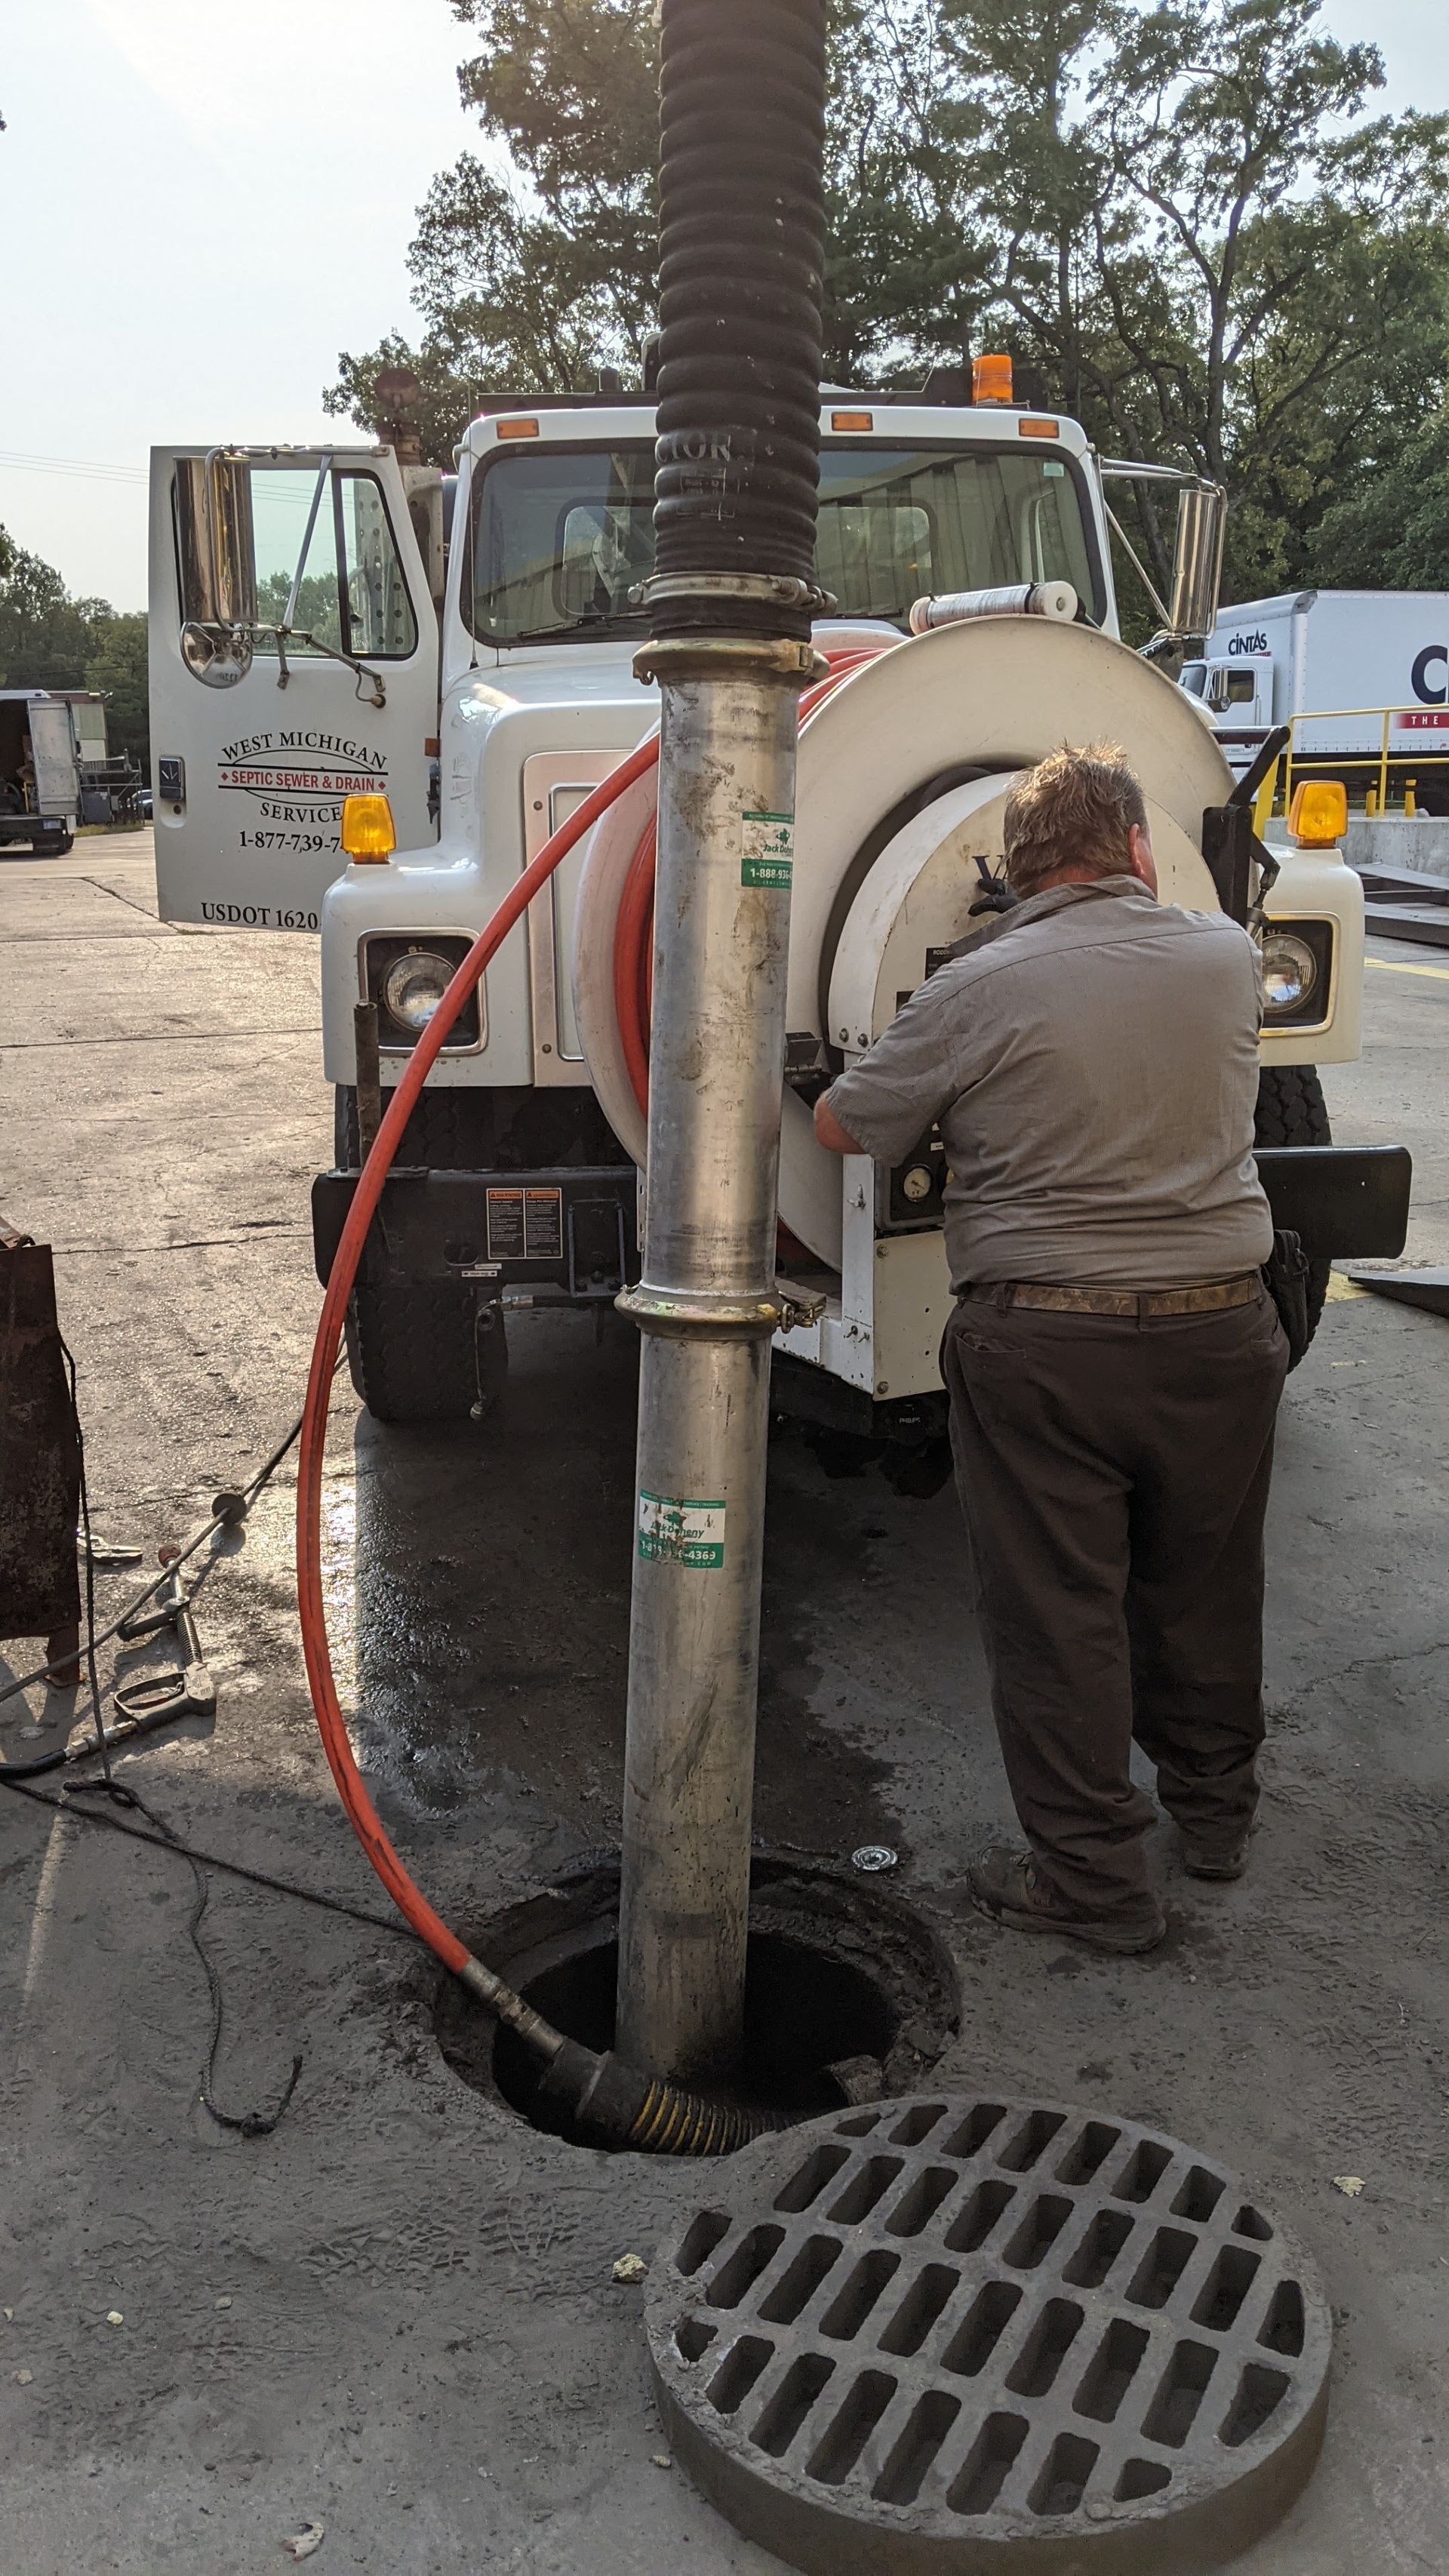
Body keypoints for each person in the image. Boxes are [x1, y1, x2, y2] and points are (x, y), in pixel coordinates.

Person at [813, 742, 1287, 1955]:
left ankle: (1095, 1883)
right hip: (1223, 1332)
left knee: (1060, 1613)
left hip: (1047, 1349)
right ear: (1138, 849)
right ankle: (1217, 1818)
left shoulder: (977, 983)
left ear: (1018, 875)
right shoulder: (1229, 960)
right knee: (1206, 1582)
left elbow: (844, 1123)